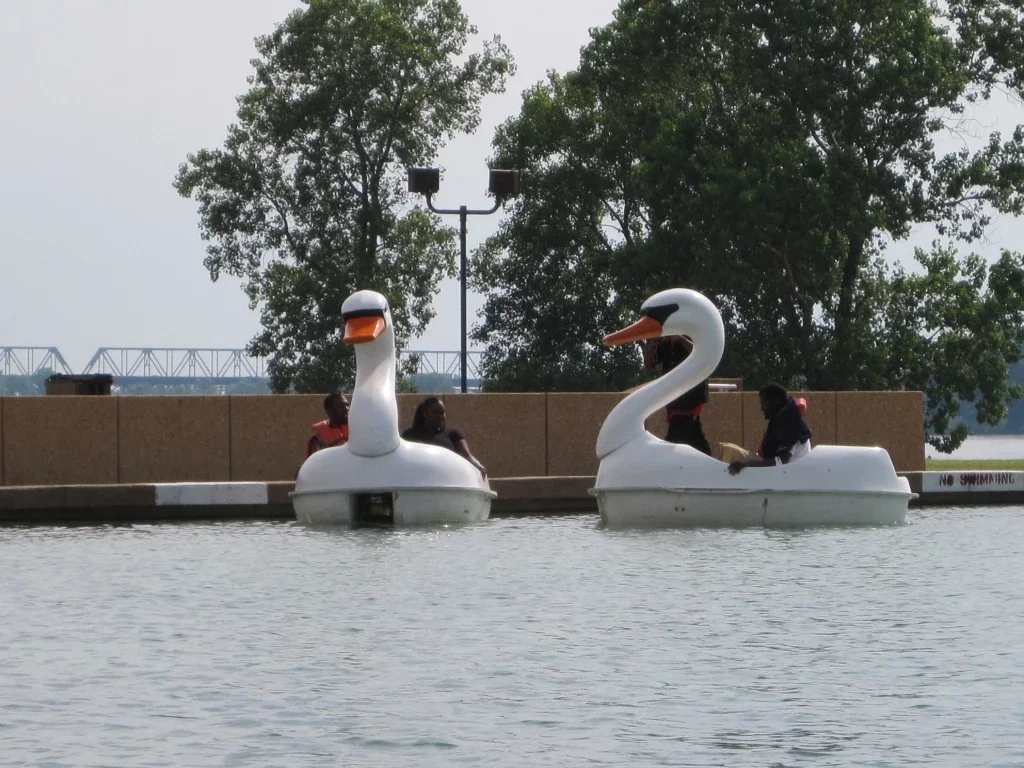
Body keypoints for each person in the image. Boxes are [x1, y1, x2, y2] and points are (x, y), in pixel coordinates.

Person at [640, 335, 711, 454]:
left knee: (683, 444)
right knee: (690, 442)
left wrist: (680, 339)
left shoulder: (692, 334)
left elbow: (701, 354)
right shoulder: (666, 343)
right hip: (675, 403)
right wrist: (651, 345)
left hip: (691, 400)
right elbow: (649, 364)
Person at [728, 384, 812, 475]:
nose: (761, 408)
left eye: (763, 403)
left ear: (776, 401)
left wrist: (745, 465)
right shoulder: (781, 420)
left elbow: (781, 461)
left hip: (789, 475)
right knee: (728, 449)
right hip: (778, 472)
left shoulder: (790, 425)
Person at [402, 396, 487, 477]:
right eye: (435, 412)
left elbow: (467, 455)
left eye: (442, 413)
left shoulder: (453, 435)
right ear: (425, 414)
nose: (440, 416)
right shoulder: (410, 435)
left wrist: (479, 467)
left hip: (448, 481)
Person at [306, 393, 350, 457]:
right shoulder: (318, 440)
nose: (346, 409)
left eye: (347, 405)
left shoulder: (358, 431)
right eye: (341, 406)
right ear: (329, 411)